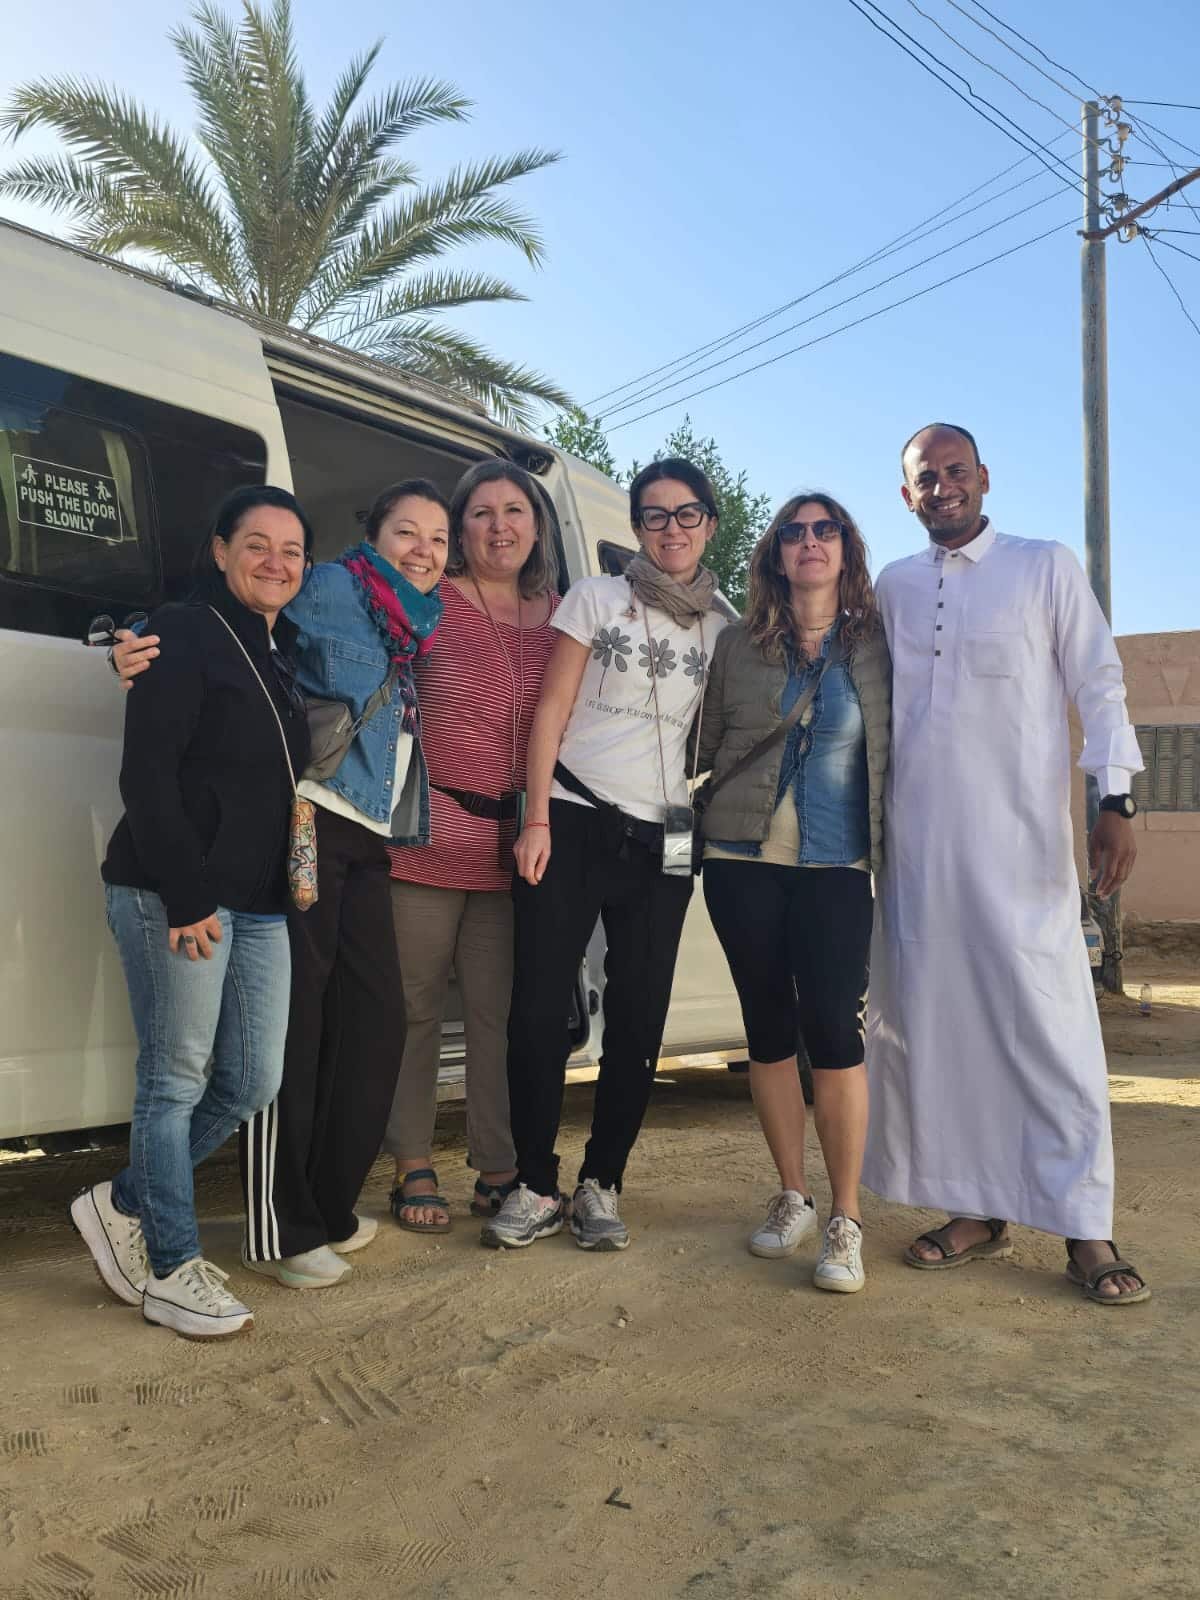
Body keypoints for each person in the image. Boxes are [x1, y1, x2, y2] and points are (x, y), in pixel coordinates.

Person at [112, 480, 447, 1288]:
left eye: (439, 538)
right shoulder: (328, 585)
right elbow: (194, 625)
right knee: (265, 1047)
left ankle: (315, 1209)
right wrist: (127, 639)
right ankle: (274, 1230)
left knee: (363, 1029)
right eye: (406, 531)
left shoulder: (416, 619)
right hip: (306, 828)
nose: (424, 550)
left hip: (363, 835)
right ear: (371, 538)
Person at [863, 423, 1150, 1305]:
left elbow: (1099, 682)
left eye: (956, 471)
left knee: (1049, 1026)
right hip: (918, 854)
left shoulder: (1044, 565)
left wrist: (1115, 801)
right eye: (926, 478)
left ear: (984, 477)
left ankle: (1085, 1226)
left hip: (1022, 848)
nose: (943, 486)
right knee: (939, 1028)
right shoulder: (894, 586)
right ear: (906, 495)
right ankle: (975, 1212)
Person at [72, 485, 311, 1339]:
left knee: (251, 1080)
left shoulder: (278, 650)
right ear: (219, 550)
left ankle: (123, 1201)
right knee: (173, 1080)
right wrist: (185, 895)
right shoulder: (179, 631)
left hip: (258, 901)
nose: (275, 561)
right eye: (256, 544)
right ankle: (173, 1269)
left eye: (291, 549)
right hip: (174, 894)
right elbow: (147, 776)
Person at [483, 458, 730, 1252]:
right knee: (537, 1008)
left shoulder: (722, 626)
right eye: (655, 515)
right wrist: (535, 819)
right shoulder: (596, 597)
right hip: (574, 815)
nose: (671, 529)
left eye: (686, 514)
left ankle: (603, 1181)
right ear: (636, 527)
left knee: (639, 1015)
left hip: (665, 837)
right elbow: (550, 711)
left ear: (709, 523)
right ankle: (533, 1182)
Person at [696, 494, 891, 1293]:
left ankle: (845, 1217)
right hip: (739, 859)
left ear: (846, 549)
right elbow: (705, 743)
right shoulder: (736, 645)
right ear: (775, 554)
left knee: (835, 1035)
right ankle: (792, 1196)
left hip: (837, 865)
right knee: (768, 1030)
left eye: (824, 530)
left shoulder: (879, 647)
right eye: (794, 533)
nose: (809, 543)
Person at [382, 461, 561, 1232]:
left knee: (499, 1015)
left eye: (514, 510)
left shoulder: (562, 616)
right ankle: (411, 1162)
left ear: (537, 526)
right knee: (414, 1009)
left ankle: (498, 1163)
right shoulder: (429, 601)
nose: (499, 526)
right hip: (423, 838)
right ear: (460, 529)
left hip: (514, 850)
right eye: (482, 512)